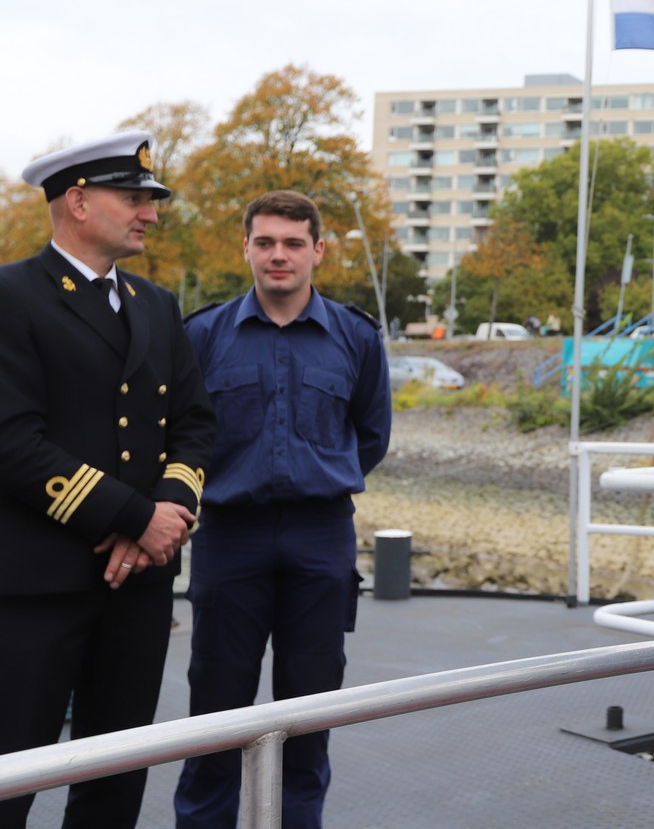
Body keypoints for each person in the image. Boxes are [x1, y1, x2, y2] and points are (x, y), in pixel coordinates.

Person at [0, 131, 214, 828]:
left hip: (139, 589)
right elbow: (12, 442)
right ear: (78, 202)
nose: (149, 213)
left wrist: (167, 511)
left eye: (150, 200)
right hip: (38, 589)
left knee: (114, 787)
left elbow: (194, 423)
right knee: (10, 779)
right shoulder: (12, 296)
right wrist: (131, 516)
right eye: (134, 198)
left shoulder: (156, 304)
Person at [174, 191, 391, 829]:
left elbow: (371, 435)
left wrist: (314, 476)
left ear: (317, 251)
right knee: (215, 714)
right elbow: (182, 435)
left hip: (320, 538)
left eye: (293, 243)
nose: (279, 255)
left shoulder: (355, 337)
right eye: (265, 242)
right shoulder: (203, 335)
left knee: (309, 716)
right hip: (229, 537)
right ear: (245, 248)